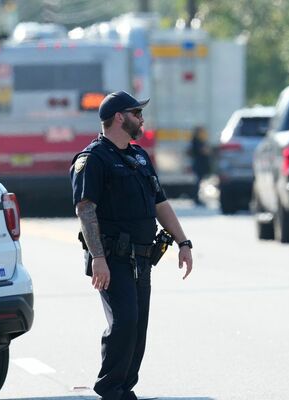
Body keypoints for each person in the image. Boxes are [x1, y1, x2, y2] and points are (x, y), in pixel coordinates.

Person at [70, 91, 194, 400]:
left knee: (137, 327)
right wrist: (97, 256)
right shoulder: (93, 158)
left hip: (142, 257)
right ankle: (110, 388)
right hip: (112, 258)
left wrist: (183, 241)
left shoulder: (139, 156)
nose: (141, 118)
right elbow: (86, 209)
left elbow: (159, 202)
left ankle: (124, 387)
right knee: (124, 322)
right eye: (136, 112)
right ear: (119, 118)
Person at [188, 126, 211, 203]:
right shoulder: (196, 140)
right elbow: (203, 151)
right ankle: (196, 198)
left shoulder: (199, 140)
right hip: (199, 164)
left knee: (199, 181)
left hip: (200, 164)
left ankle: (197, 198)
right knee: (197, 182)